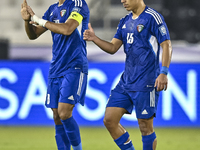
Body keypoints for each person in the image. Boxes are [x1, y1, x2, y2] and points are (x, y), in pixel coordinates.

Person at [83, 0, 172, 150]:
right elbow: (112, 48)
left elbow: (166, 44)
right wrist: (95, 38)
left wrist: (163, 72)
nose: (122, 1)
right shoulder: (124, 21)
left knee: (145, 128)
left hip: (147, 81)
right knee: (109, 119)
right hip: (126, 82)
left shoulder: (153, 17)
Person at [21, 0, 90, 150]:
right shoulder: (52, 9)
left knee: (64, 112)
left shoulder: (78, 4)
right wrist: (27, 21)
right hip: (56, 67)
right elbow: (34, 35)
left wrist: (38, 19)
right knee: (57, 116)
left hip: (74, 65)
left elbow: (68, 29)